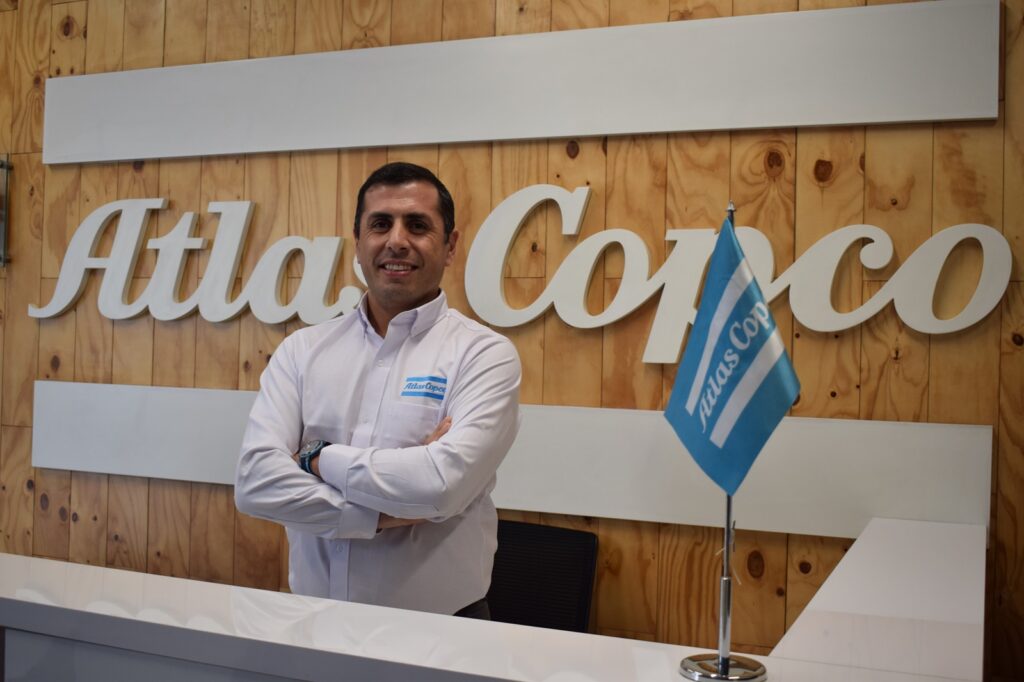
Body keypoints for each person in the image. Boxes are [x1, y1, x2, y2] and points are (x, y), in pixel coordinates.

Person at [235, 162, 521, 618]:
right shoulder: (302, 351)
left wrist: (315, 457)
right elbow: (256, 483)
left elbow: (440, 487)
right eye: (381, 224)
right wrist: (385, 513)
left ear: (450, 246)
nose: (397, 241)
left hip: (441, 634)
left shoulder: (483, 355)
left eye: (418, 225)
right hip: (312, 623)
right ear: (358, 241)